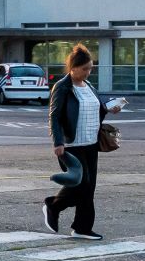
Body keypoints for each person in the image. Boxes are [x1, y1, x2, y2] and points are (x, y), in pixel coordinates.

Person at [46, 44, 122, 241]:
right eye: (84, 69)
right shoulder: (62, 87)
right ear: (73, 67)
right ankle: (53, 205)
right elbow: (54, 116)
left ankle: (82, 227)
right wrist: (57, 141)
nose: (88, 72)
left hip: (91, 143)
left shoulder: (89, 86)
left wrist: (108, 108)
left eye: (90, 68)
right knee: (81, 183)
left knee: (89, 187)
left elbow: (94, 109)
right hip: (71, 145)